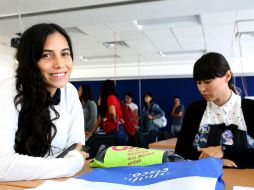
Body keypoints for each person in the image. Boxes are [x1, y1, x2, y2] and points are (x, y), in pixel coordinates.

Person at [0, 23, 88, 181]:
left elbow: (75, 147)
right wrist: (69, 165)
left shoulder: (70, 91)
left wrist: (70, 161)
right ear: (30, 60)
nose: (59, 64)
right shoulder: (7, 91)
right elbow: (2, 166)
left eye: (65, 54)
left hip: (52, 183)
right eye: (46, 55)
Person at [175, 52, 254, 169]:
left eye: (207, 82)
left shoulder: (250, 109)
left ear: (228, 76)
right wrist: (217, 162)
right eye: (198, 82)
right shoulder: (195, 110)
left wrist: (224, 151)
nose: (202, 89)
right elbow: (181, 151)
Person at [90, 80, 128, 145]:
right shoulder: (112, 98)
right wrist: (92, 132)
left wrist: (114, 120)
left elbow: (112, 112)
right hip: (117, 132)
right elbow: (100, 119)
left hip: (115, 131)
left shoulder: (110, 97)